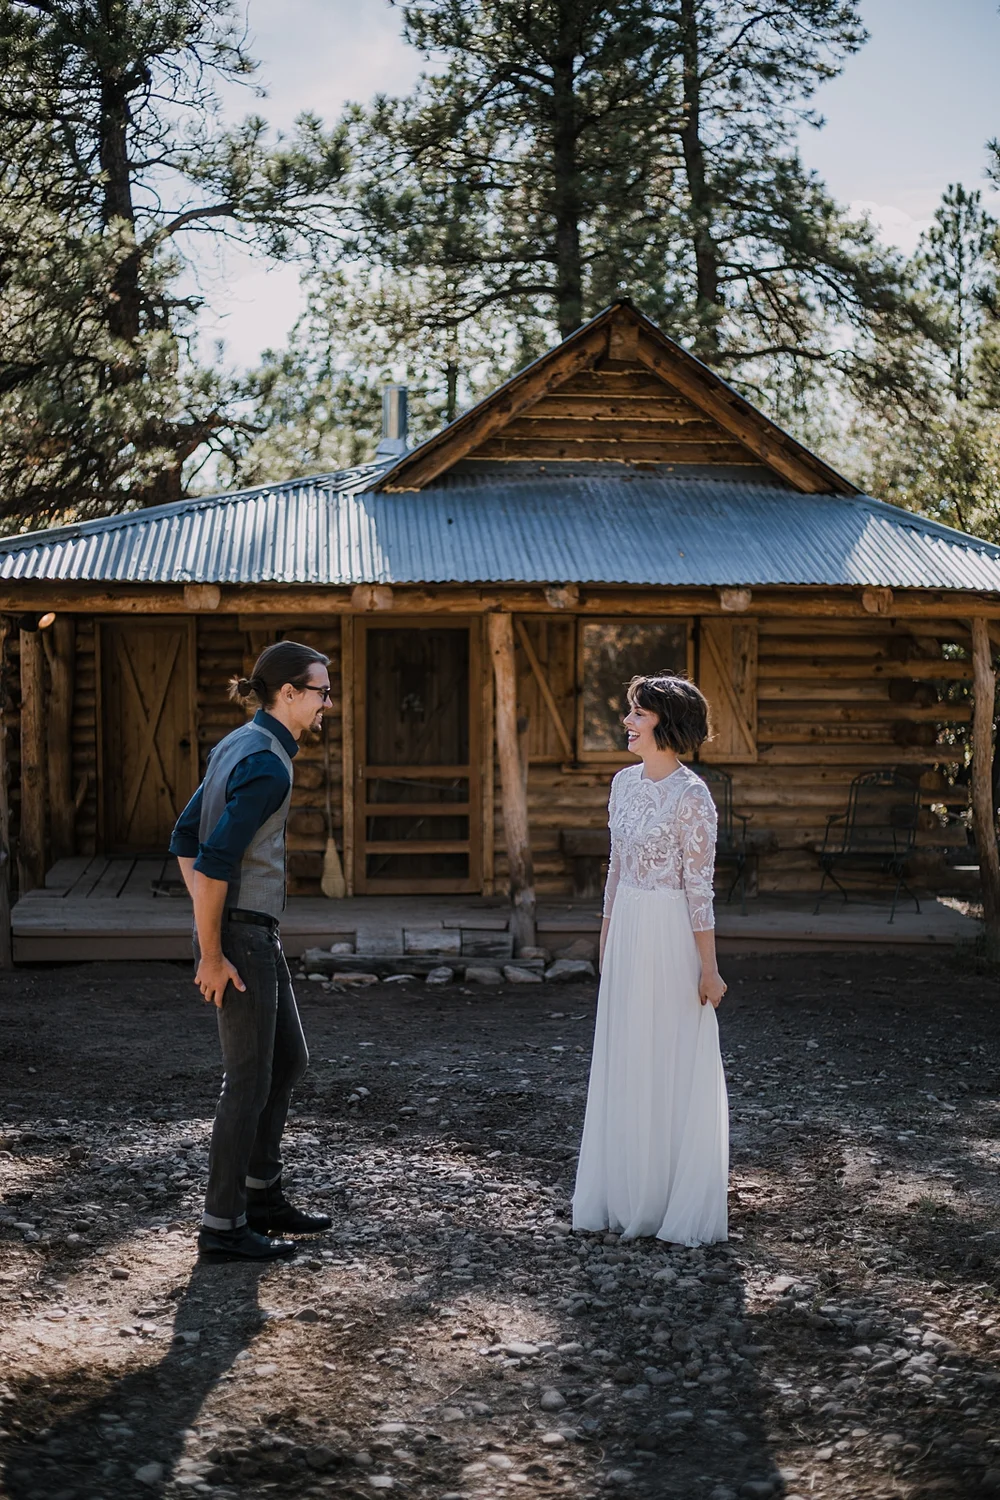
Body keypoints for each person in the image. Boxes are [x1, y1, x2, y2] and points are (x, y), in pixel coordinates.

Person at [170, 641, 334, 1262]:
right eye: (320, 691)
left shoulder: (238, 743)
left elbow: (184, 836)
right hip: (240, 939)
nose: (327, 704)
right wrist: (213, 949)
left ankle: (262, 1193)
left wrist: (210, 915)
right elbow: (210, 857)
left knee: (287, 1061)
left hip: (242, 928)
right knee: (246, 1082)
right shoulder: (266, 763)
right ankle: (223, 1225)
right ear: (288, 694)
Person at [572, 673, 729, 1246]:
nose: (628, 723)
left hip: (669, 934)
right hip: (630, 927)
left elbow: (700, 889)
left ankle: (664, 1200)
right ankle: (622, 1192)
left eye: (637, 713)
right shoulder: (622, 784)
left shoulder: (693, 798)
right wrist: (606, 941)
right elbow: (614, 868)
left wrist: (708, 968)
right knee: (625, 1051)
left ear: (665, 722)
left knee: (665, 1052)